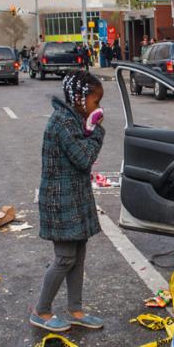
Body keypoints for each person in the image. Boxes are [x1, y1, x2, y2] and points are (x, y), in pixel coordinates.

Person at [31, 71, 106, 332]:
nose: (99, 108)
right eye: (95, 102)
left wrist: (89, 128)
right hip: (60, 201)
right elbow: (84, 159)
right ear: (79, 99)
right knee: (64, 258)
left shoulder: (74, 119)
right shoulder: (62, 122)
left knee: (78, 256)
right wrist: (96, 132)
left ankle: (75, 309)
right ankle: (41, 310)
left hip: (75, 198)